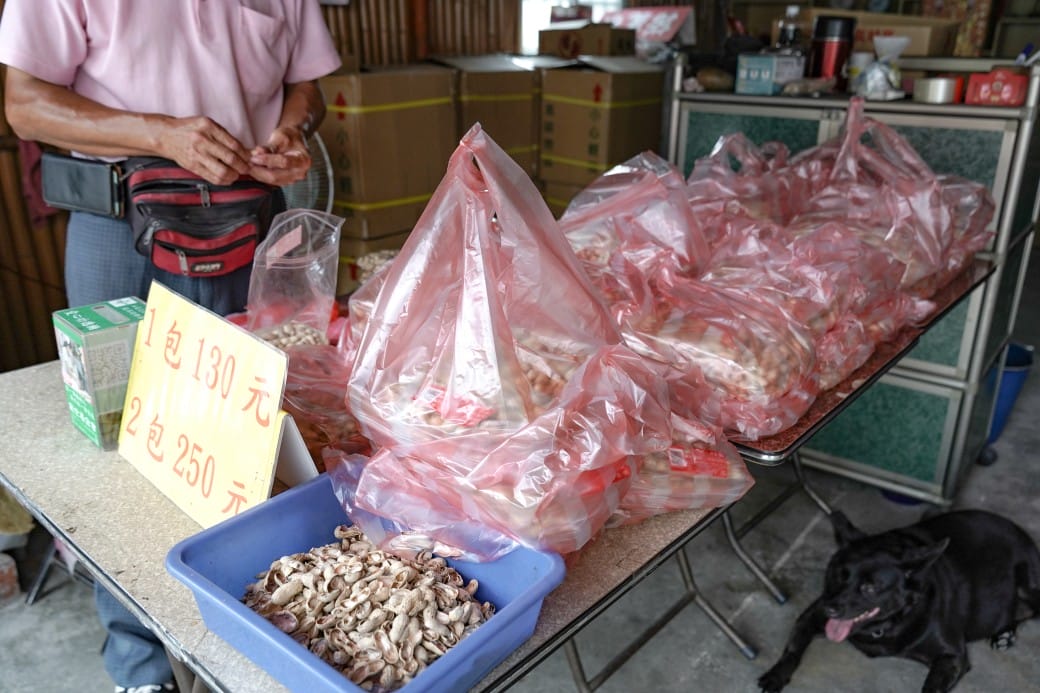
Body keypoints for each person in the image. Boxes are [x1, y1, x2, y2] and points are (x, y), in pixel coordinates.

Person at [0, 2, 342, 691]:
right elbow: (26, 105)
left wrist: (291, 126)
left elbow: (309, 87)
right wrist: (161, 134)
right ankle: (141, 664)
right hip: (122, 224)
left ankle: (255, 627)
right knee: (121, 454)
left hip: (249, 222)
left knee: (256, 434)